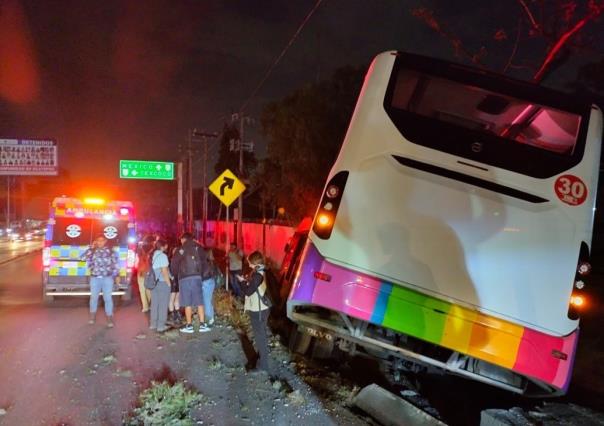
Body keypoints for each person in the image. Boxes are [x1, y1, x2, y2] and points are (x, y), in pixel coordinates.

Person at [236, 250, 271, 373]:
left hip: (258, 310)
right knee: (261, 336)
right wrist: (247, 281)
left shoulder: (257, 275)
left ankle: (263, 366)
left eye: (250, 263)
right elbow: (253, 286)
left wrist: (242, 282)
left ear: (255, 263)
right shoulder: (261, 271)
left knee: (260, 337)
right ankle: (263, 359)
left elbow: (248, 291)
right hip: (262, 309)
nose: (249, 265)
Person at [170, 232, 211, 333]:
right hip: (197, 278)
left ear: (184, 239)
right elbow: (205, 262)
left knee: (187, 302)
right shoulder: (199, 247)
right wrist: (201, 276)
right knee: (199, 301)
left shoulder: (181, 249)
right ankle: (202, 324)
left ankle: (189, 325)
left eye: (181, 240)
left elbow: (174, 263)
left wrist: (176, 275)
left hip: (184, 279)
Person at [83, 235, 120, 328]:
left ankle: (109, 317)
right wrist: (91, 247)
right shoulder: (92, 251)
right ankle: (92, 316)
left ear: (105, 241)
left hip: (107, 278)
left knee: (107, 298)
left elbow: (115, 265)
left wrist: (117, 276)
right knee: (93, 298)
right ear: (96, 241)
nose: (100, 242)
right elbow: (83, 258)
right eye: (98, 241)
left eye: (102, 240)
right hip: (95, 278)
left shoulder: (111, 251)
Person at [149, 239, 172, 332]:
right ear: (163, 246)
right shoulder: (163, 256)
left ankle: (153, 324)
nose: (167, 247)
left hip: (154, 283)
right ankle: (161, 325)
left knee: (154, 304)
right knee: (163, 304)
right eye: (166, 245)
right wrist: (169, 283)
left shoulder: (153, 254)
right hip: (162, 283)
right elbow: (164, 271)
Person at [135, 235, 155, 313]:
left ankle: (145, 307)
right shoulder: (153, 250)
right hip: (149, 271)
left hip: (140, 271)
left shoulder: (140, 249)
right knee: (149, 289)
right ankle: (152, 305)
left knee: (142, 290)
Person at [168, 244, 183, 326]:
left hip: (175, 281)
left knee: (174, 298)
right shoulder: (175, 260)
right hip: (176, 280)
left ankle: (174, 314)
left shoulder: (172, 260)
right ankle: (175, 314)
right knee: (174, 298)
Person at [202, 247, 216, 328]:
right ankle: (211, 317)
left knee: (206, 301)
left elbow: (204, 274)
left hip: (206, 282)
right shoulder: (211, 261)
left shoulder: (205, 263)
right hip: (210, 282)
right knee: (208, 300)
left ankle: (209, 319)